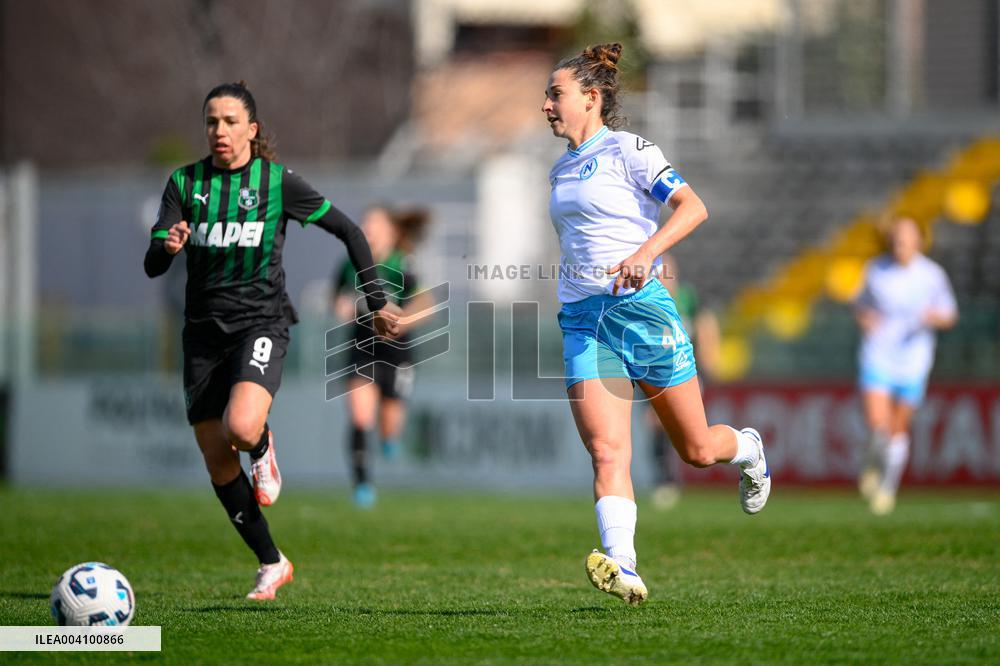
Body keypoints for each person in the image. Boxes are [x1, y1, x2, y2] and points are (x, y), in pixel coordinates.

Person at [144, 81, 399, 599]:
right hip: (202, 337)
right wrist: (167, 247)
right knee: (218, 461)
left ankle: (261, 446)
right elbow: (152, 265)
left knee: (241, 427)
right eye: (211, 122)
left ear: (252, 129)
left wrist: (375, 302)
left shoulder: (276, 183)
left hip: (260, 324)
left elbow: (350, 231)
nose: (219, 130)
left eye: (230, 121)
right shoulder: (184, 183)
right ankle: (271, 561)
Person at [542, 43, 771, 606]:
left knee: (697, 449)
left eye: (555, 94)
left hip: (642, 312)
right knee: (607, 451)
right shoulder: (560, 168)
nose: (545, 105)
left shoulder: (629, 150)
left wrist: (647, 253)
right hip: (584, 321)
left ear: (591, 97)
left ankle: (746, 448)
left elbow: (693, 207)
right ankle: (624, 565)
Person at [855, 216, 957, 515]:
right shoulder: (875, 270)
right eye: (896, 236)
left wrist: (933, 317)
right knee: (878, 426)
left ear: (918, 241)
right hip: (878, 355)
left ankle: (887, 489)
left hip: (914, 360)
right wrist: (866, 319)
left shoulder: (932, 275)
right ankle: (872, 462)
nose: (900, 242)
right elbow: (860, 305)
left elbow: (949, 314)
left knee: (898, 429)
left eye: (906, 236)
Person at [331, 205, 433, 507]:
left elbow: (426, 303)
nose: (368, 229)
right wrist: (341, 306)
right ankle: (362, 483)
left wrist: (402, 322)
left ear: (391, 231)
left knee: (389, 424)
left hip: (397, 351)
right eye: (365, 223)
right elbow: (337, 295)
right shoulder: (350, 264)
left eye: (374, 224)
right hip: (362, 346)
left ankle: (389, 439)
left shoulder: (402, 263)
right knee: (360, 416)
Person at [645, 253, 721, 511]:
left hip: (687, 370)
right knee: (655, 424)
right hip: (653, 370)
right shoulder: (647, 300)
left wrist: (708, 361)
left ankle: (739, 450)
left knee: (688, 433)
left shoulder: (687, 298)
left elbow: (706, 324)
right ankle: (664, 479)